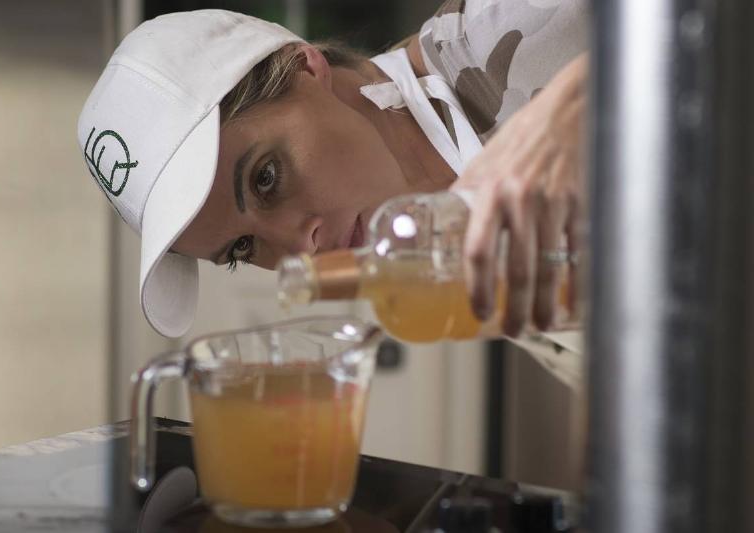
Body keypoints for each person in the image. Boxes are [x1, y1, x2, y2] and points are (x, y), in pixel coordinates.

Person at [78, 1, 588, 338]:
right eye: (242, 249)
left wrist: (572, 103)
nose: (304, 249)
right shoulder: (436, 260)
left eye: (266, 179)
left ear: (305, 68)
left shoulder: (505, 24)